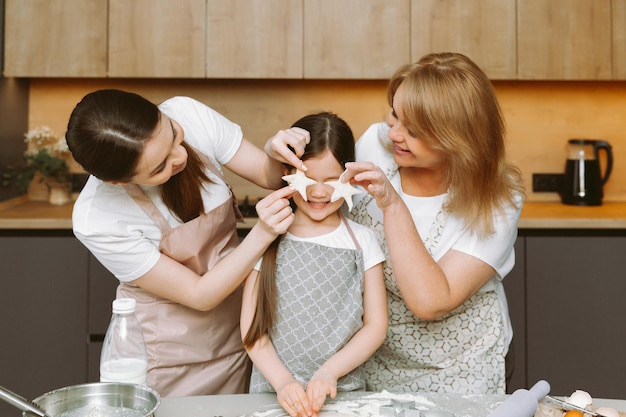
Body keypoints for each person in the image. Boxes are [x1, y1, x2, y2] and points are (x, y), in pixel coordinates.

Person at [65, 89, 310, 397]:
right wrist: (262, 233)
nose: (180, 156)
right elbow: (199, 294)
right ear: (118, 181)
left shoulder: (188, 112)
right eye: (159, 167)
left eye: (174, 135)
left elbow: (269, 175)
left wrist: (277, 151)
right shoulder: (98, 217)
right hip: (164, 358)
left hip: (237, 335)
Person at [343, 52, 526, 394]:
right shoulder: (374, 144)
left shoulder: (497, 200)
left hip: (463, 364)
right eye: (395, 115)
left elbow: (431, 300)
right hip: (374, 351)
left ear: (458, 137)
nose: (394, 134)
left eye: (413, 130)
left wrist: (393, 205)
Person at [241, 112, 388, 417]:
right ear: (287, 171)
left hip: (342, 396)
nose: (319, 192)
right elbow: (252, 331)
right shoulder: (267, 234)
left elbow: (376, 326)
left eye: (333, 182)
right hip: (273, 395)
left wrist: (329, 373)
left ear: (352, 177)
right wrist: (283, 383)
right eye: (308, 179)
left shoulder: (363, 241)